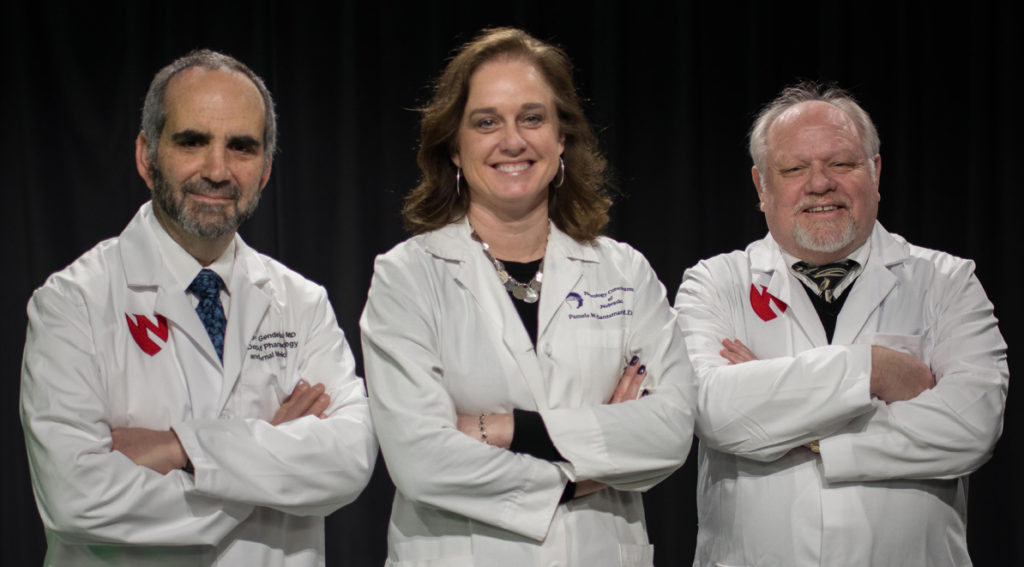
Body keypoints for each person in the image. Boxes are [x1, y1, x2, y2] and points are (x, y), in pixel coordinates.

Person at [20, 49, 377, 566]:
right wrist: (270, 460)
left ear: (266, 169)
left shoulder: (301, 302)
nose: (217, 169)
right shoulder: (72, 302)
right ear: (147, 156)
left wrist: (181, 448)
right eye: (192, 141)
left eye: (241, 147)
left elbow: (349, 461)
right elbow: (76, 498)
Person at [360, 28, 695, 566]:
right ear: (454, 146)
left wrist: (506, 429)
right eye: (486, 121)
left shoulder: (624, 271)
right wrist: (579, 475)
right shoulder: (408, 275)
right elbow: (422, 460)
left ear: (562, 138)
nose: (512, 140)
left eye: (532, 118)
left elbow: (671, 429)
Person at [674, 82, 1008, 566]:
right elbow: (714, 413)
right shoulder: (714, 282)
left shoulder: (946, 281)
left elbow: (971, 425)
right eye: (793, 169)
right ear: (760, 186)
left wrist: (790, 416)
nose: (819, 184)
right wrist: (872, 370)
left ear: (875, 172)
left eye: (841, 164)